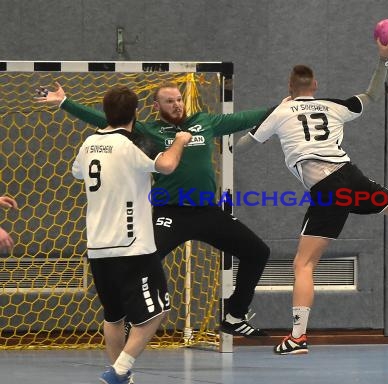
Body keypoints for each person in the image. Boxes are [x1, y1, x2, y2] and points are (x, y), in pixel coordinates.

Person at [234, 34, 388, 355]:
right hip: (351, 175)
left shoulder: (280, 112)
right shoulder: (334, 106)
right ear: (316, 85)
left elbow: (242, 146)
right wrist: (383, 59)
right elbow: (372, 95)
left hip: (328, 188)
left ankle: (297, 337)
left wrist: (238, 136)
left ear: (289, 87)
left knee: (304, 264)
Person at [36, 81, 273, 337]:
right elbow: (105, 119)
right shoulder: (149, 131)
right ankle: (131, 317)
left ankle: (234, 315)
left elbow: (243, 118)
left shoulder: (204, 123)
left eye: (179, 99)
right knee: (142, 261)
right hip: (170, 214)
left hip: (207, 212)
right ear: (156, 106)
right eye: (170, 101)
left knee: (257, 252)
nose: (177, 104)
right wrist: (64, 102)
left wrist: (282, 108)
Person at [72, 85, 192, 384]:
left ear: (105, 111)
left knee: (114, 315)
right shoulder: (131, 144)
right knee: (158, 311)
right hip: (132, 246)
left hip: (98, 246)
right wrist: (179, 141)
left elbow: (77, 174)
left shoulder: (89, 144)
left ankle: (120, 382)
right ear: (136, 113)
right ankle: (120, 369)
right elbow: (166, 165)